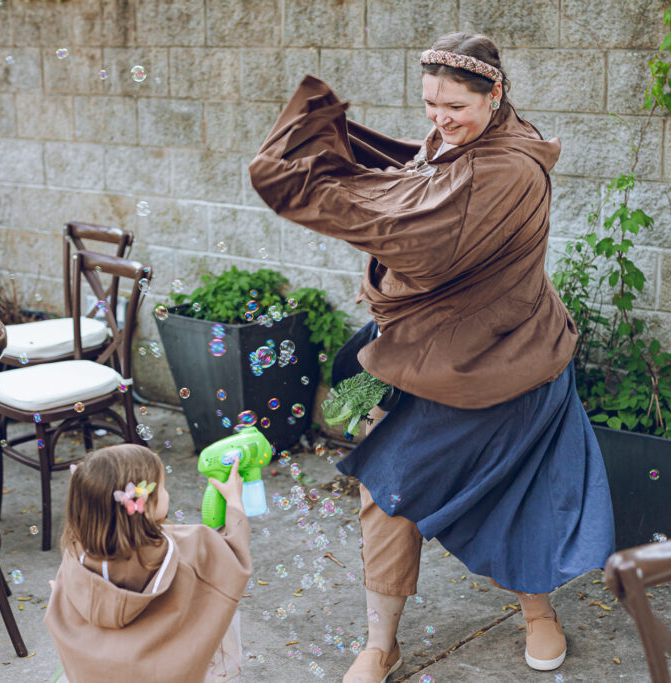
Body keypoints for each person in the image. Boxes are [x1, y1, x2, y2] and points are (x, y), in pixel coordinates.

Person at [250, 31, 616, 682]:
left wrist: (317, 189)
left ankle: (538, 614)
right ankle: (379, 643)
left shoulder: (510, 171)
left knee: (521, 491)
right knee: (389, 489)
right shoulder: (461, 142)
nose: (440, 119)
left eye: (455, 105)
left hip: (513, 363)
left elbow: (417, 233)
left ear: (495, 94)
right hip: (437, 355)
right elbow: (414, 189)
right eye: (429, 104)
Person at [45, 444, 251, 682]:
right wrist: (234, 502)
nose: (167, 494)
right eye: (163, 488)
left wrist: (64, 596)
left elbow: (64, 603)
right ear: (144, 504)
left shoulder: (76, 553)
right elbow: (234, 558)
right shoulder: (190, 546)